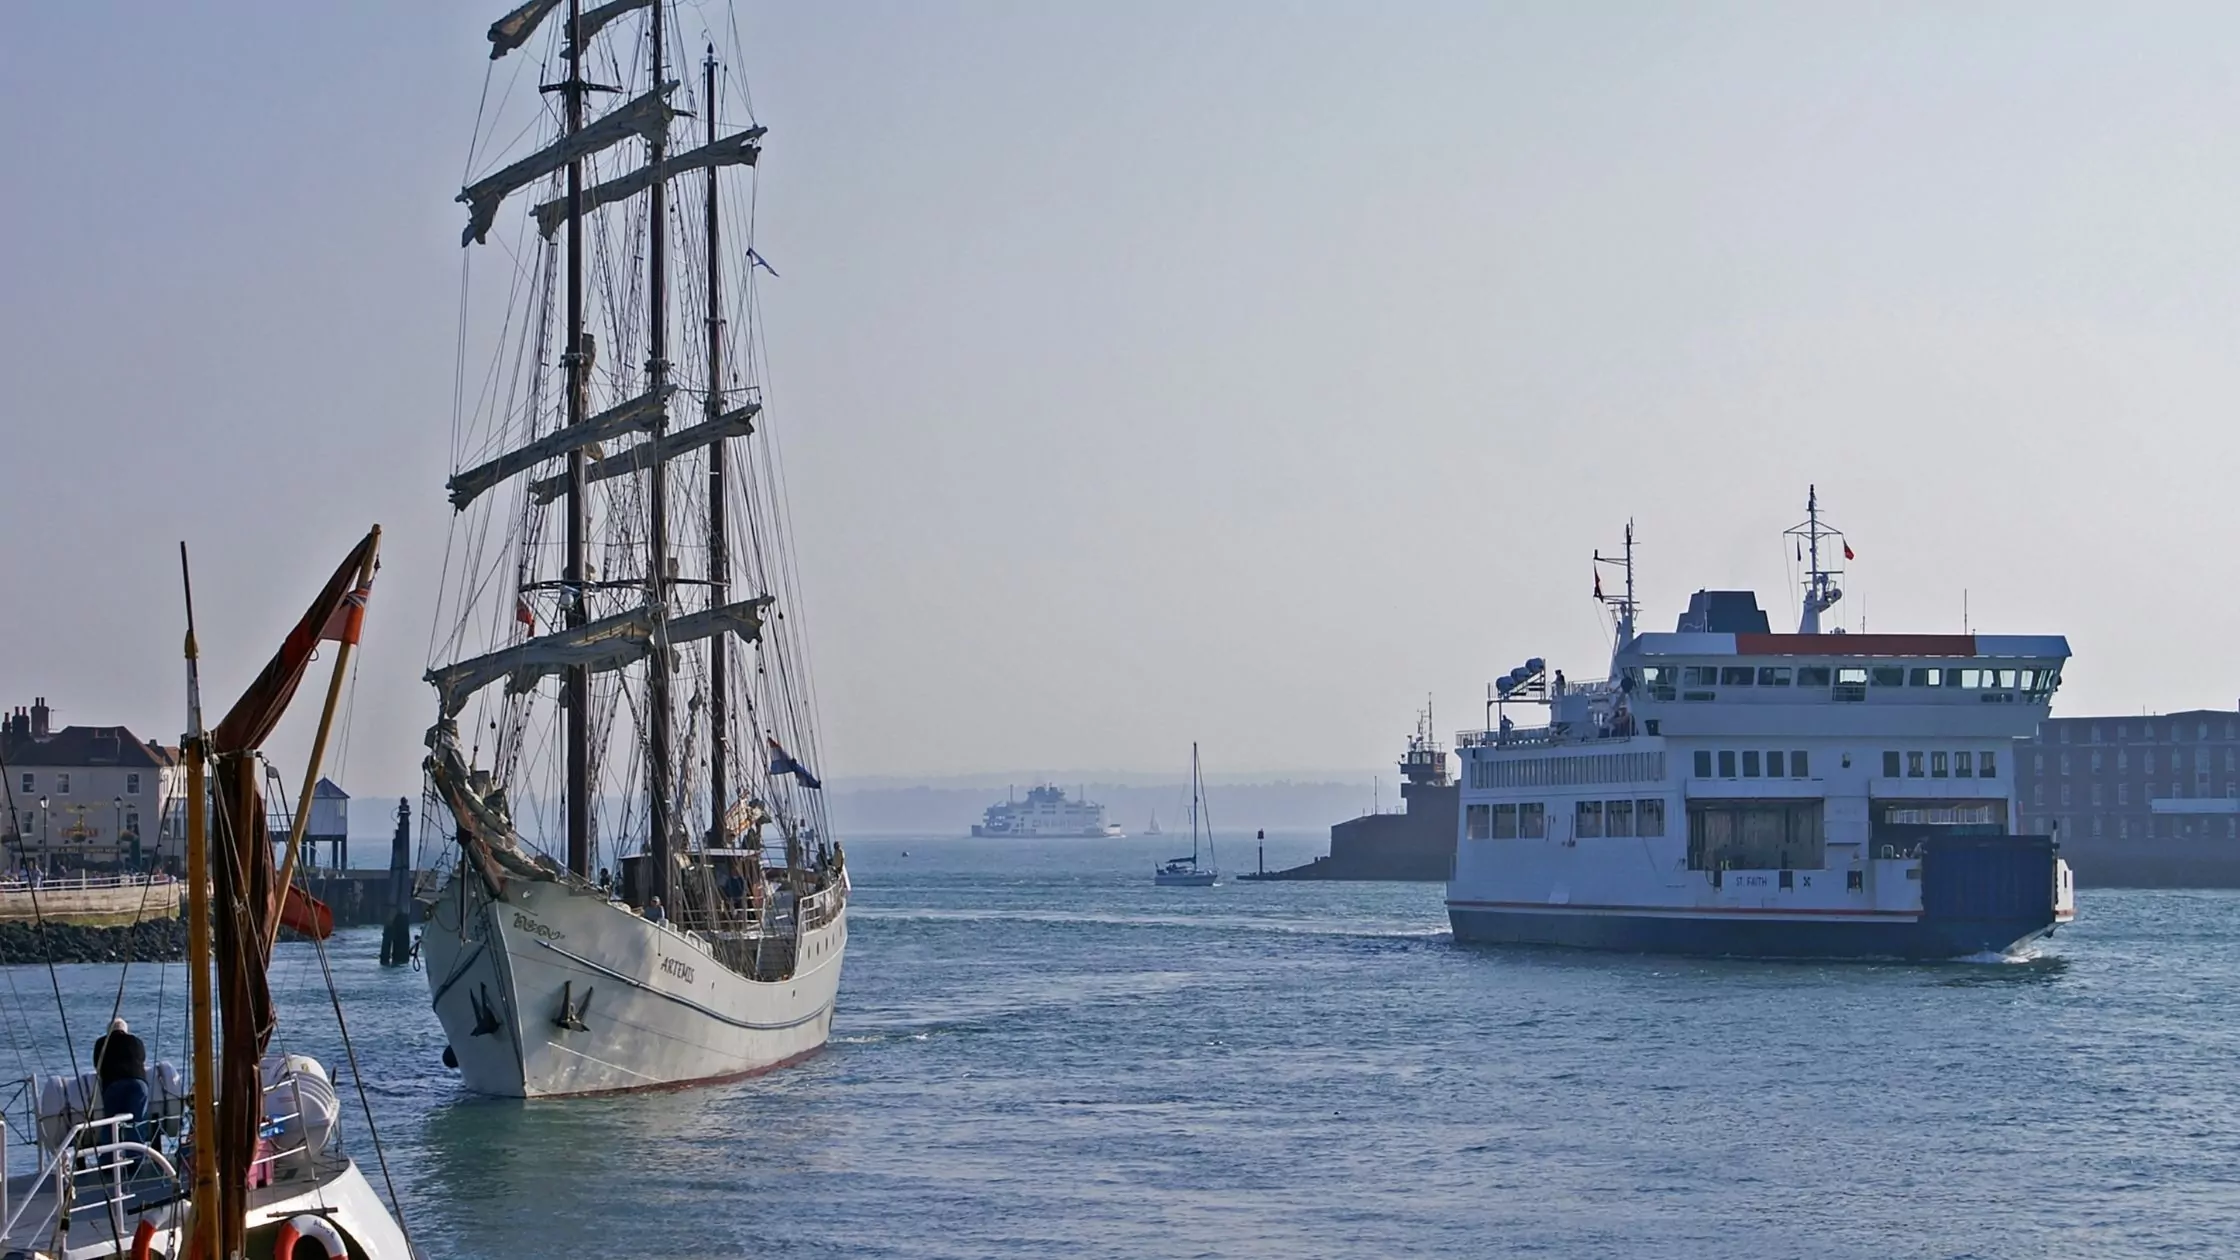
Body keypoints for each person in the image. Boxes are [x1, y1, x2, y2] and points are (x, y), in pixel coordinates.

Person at [92, 1017, 150, 1133]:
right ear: (125, 1030)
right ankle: (135, 1149)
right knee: (136, 1124)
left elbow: (97, 1065)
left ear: (108, 1032)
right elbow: (142, 1059)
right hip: (138, 1083)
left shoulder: (101, 1043)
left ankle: (110, 1150)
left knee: (111, 1125)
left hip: (114, 1084)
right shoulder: (136, 1041)